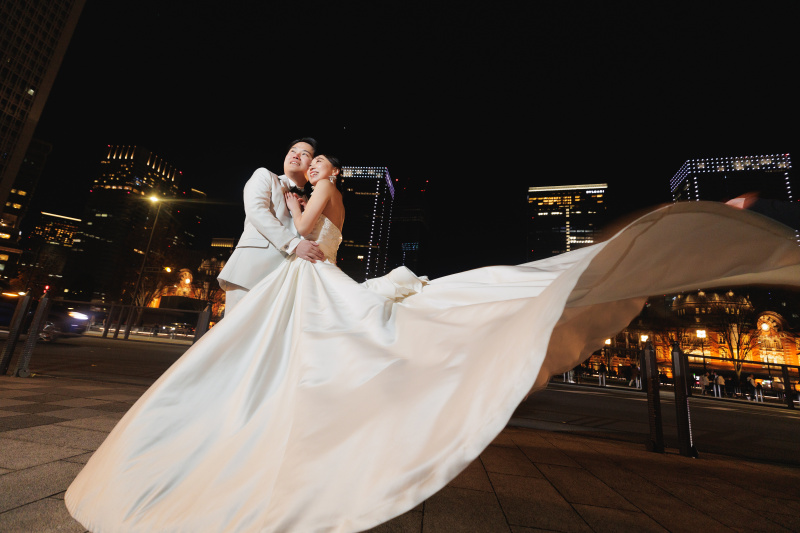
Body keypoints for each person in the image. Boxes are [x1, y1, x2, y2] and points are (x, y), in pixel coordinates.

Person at [65, 200, 800, 532]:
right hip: (324, 295)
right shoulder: (306, 194)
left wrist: (295, 217)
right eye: (303, 160)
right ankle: (629, 256)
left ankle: (637, 252)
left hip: (326, 292)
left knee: (469, 302)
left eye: (314, 162)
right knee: (470, 302)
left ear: (326, 175)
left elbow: (300, 237)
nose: (306, 167)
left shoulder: (315, 197)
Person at [217, 137, 326, 313]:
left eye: (304, 154)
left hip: (287, 282)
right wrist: (294, 244)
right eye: (293, 151)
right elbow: (256, 211)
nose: (296, 155)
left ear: (312, 166)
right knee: (237, 335)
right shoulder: (264, 175)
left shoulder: (311, 202)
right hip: (250, 271)